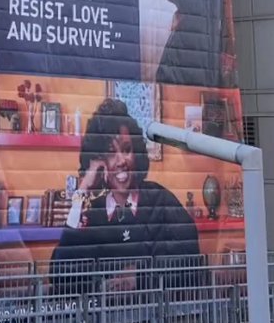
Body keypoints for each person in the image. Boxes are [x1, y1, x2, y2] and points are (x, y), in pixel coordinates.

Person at [50, 99, 200, 289]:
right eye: (111, 153)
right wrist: (83, 190)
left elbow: (192, 259)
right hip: (106, 317)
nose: (121, 161)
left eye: (127, 150)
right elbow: (59, 276)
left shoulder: (160, 199)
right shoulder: (90, 213)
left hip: (155, 314)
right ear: (99, 161)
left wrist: (139, 278)